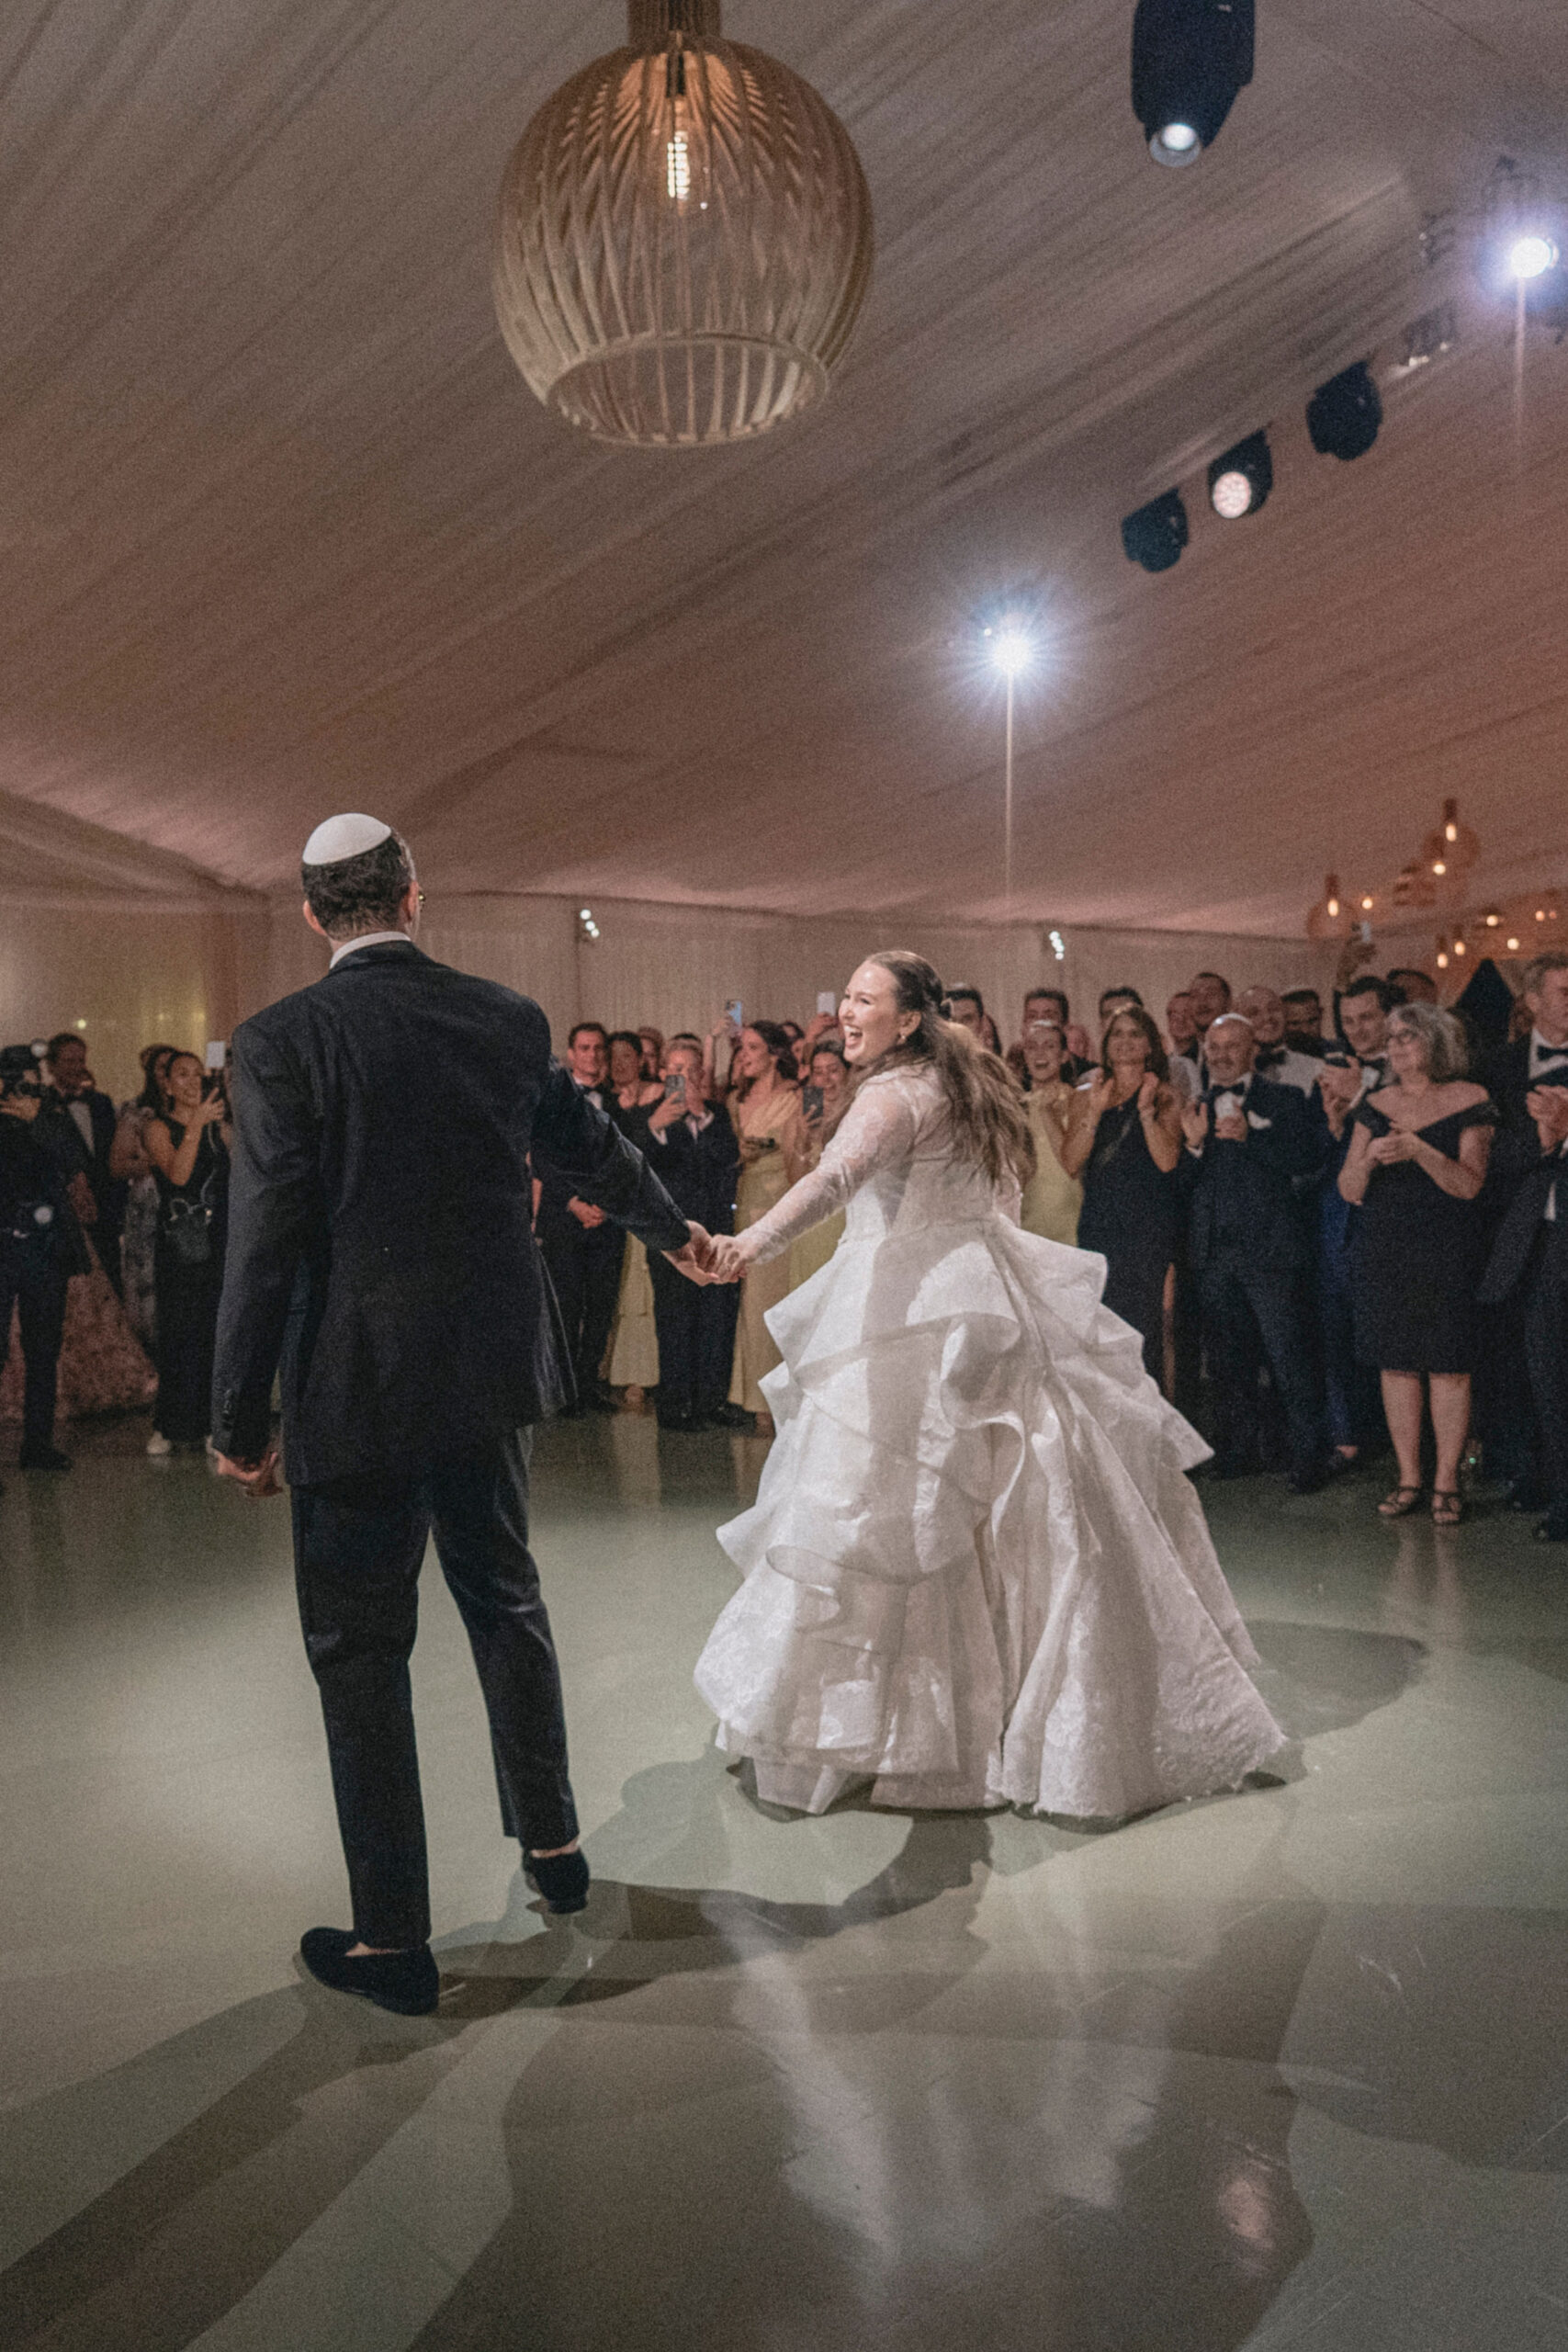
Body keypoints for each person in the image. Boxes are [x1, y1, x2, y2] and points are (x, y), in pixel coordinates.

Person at [211, 814, 708, 2017]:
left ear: (311, 912)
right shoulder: (504, 1019)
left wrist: (235, 1415)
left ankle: (393, 1939)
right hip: (487, 1377)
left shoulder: (278, 1041)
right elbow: (591, 1152)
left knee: (359, 1654)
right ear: (414, 897)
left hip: (354, 1382)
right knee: (506, 1604)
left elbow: (268, 1228)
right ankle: (555, 1853)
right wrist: (674, 1233)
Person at [694, 951, 1283, 1818]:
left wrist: (747, 1247)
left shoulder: (893, 1095)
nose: (846, 1013)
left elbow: (834, 1180)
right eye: (846, 998)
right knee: (996, 1506)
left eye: (864, 1001)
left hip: (917, 1313)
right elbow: (1000, 1201)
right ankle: (1019, 1715)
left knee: (901, 1508)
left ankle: (924, 1734)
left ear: (906, 1022)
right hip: (979, 1295)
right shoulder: (969, 1086)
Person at [1338, 1005, 1495, 1525]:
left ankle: (1447, 1480)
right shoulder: (1375, 1104)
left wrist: (1421, 1151)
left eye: (1409, 1037)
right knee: (1397, 1363)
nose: (1398, 1046)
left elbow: (1470, 1184)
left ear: (1435, 1042)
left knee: (1450, 1364)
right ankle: (1408, 1476)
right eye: (1392, 1038)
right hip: (1385, 1247)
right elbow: (1349, 1189)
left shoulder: (1471, 1098)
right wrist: (1369, 1157)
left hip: (1448, 1248)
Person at [1180, 1014, 1327, 1493]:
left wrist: (1252, 1137)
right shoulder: (1195, 1105)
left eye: (1231, 1046)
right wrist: (1194, 1146)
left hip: (1270, 1252)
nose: (1221, 1055)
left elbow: (1307, 1158)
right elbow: (1183, 1184)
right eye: (1213, 1047)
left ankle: (1308, 1455)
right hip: (1215, 1254)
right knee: (1228, 1361)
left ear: (1251, 1052)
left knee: (1289, 1358)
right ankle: (1238, 1451)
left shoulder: (1283, 1099)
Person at [1476, 954, 1568, 1538]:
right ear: (1532, 1001)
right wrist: (1543, 1139)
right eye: (1563, 991)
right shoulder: (1499, 1068)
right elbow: (1487, 1159)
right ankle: (1553, 1490)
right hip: (1532, 1237)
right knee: (1542, 1368)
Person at [1061, 1007, 1182, 1385]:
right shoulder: (1086, 1094)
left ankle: (1158, 1426)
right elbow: (1070, 1161)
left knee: (1149, 1330)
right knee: (1103, 1329)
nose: (1125, 1041)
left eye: (1134, 1034)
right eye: (1117, 1034)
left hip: (1148, 1228)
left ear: (1149, 1044)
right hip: (1100, 1223)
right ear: (1106, 1044)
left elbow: (1167, 1161)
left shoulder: (1165, 1095)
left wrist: (1145, 1111)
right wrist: (1095, 1112)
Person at [0, 1044, 90, 1481]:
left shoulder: (49, 1111)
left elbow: (78, 1161)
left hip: (44, 1245)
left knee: (43, 1350)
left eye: (25, 1077)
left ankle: (38, 1444)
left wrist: (39, 1120)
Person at [644, 1041, 740, 1430]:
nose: (678, 1075)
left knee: (715, 1318)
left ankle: (709, 1402)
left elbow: (728, 1158)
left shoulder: (717, 1116)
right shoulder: (650, 1118)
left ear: (701, 1074)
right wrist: (657, 1127)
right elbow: (642, 1161)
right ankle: (674, 1404)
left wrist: (701, 1114)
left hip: (716, 1232)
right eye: (672, 1068)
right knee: (674, 1319)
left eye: (686, 1068)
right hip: (672, 1235)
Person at [143, 1050, 231, 1456]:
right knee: (180, 1332)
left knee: (216, 1331)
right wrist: (195, 1124)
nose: (193, 1082)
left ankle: (217, 1424)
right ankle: (172, 1423)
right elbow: (177, 1175)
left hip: (219, 1237)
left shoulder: (219, 1126)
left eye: (199, 1074)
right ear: (166, 1084)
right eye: (183, 1074)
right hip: (179, 1239)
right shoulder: (157, 1127)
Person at [534, 1022, 623, 1415]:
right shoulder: (550, 1098)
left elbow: (624, 1159)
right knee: (566, 1308)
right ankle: (565, 1394)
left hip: (607, 1220)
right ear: (571, 1054)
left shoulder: (617, 1101)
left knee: (601, 1308)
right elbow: (541, 1159)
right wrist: (573, 1203)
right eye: (584, 1048)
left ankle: (588, 1386)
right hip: (564, 1218)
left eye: (598, 1049)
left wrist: (603, 1204)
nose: (592, 1055)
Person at [725, 1021, 807, 1432]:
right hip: (746, 1202)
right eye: (741, 1048)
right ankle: (757, 1401)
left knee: (777, 1299)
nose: (745, 1055)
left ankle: (783, 1400)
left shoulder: (793, 1097)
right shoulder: (733, 1100)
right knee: (752, 1304)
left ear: (775, 1053)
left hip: (783, 1203)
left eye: (753, 1047)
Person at [600, 1033, 666, 1400]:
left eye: (628, 1055)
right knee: (628, 1289)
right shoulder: (607, 1102)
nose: (621, 1063)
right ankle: (628, 1374)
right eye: (614, 1057)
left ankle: (658, 1375)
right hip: (621, 1205)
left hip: (657, 1199)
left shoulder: (662, 1095)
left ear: (642, 1058)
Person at [41, 1034, 125, 1295]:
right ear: (51, 1066)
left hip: (106, 1205)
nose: (77, 1066)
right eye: (69, 1061)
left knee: (111, 1278)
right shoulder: (42, 1106)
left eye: (81, 1060)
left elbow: (112, 1152)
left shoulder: (101, 1102)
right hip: (66, 1207)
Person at [109, 1046, 180, 1349]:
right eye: (161, 1068)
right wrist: (155, 1162)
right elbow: (116, 1165)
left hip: (182, 1204)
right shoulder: (138, 1111)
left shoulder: (191, 1109)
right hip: (148, 1202)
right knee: (146, 1274)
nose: (166, 1074)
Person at [789, 1039, 853, 1287]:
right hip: (813, 1224)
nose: (826, 1079)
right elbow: (794, 1180)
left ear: (848, 1072)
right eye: (818, 1072)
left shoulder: (862, 1113)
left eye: (833, 1070)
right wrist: (803, 1137)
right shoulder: (801, 1118)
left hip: (849, 1217)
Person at [1016, 1013, 1081, 1244]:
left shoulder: (1078, 1101)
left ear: (1064, 1055)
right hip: (1029, 1229)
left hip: (1072, 1228)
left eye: (1049, 1046)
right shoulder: (1016, 1108)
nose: (1040, 1053)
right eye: (1032, 1047)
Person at [1235, 988, 1323, 1095]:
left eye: (1273, 1009)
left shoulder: (1316, 1068)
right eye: (1254, 1013)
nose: (1267, 1017)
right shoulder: (1223, 1070)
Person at [1281, 989, 1328, 1055]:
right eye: (1295, 1024)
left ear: (1321, 1014)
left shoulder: (1340, 1053)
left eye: (1311, 1021)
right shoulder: (1274, 1060)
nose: (1305, 1030)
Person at [1166, 990, 1198, 1059]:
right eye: (1175, 1015)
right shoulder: (1165, 1065)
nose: (1181, 1020)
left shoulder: (1211, 1060)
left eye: (1188, 1013)